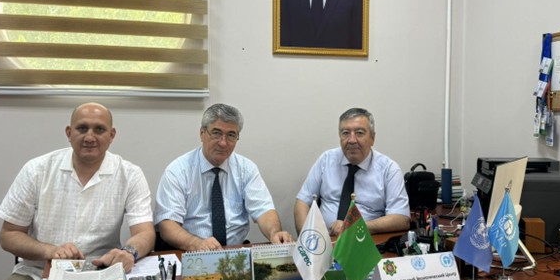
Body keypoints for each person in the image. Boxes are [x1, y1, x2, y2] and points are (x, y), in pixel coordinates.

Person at [0, 102, 155, 280]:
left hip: (99, 275)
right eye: (82, 128)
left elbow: (145, 233)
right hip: (37, 273)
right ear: (69, 132)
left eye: (99, 129)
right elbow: (8, 235)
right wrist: (49, 250)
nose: (90, 137)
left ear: (112, 135)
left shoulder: (130, 174)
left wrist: (128, 252)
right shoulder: (37, 170)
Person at [156, 103, 292, 251]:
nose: (223, 142)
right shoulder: (178, 171)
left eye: (231, 135)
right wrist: (195, 243)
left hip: (235, 253)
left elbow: (264, 210)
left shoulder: (246, 169)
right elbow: (167, 225)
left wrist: (274, 233)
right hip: (191, 252)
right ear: (202, 133)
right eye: (216, 133)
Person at [294, 107, 410, 236]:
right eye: (345, 133)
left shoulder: (389, 169)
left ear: (372, 138)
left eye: (359, 133)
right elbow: (302, 202)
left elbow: (401, 218)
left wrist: (354, 227)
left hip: (366, 240)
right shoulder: (326, 160)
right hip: (325, 240)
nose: (352, 140)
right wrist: (307, 238)